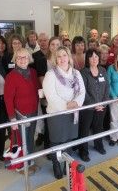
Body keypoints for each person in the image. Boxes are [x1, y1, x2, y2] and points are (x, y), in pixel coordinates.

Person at [42, 46, 85, 179]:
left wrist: (76, 103)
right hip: (57, 114)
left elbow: (82, 91)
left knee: (69, 140)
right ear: (55, 59)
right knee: (56, 141)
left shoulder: (76, 73)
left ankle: (68, 164)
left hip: (73, 112)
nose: (62, 59)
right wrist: (67, 106)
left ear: (69, 57)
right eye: (59, 56)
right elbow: (51, 96)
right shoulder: (50, 75)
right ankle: (56, 165)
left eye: (64, 55)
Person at [4, 48, 40, 173]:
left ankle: (29, 161)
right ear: (15, 60)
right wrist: (12, 118)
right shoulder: (11, 76)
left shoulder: (33, 73)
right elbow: (8, 99)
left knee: (30, 138)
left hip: (33, 112)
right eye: (19, 57)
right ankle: (20, 166)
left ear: (29, 59)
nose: (22, 60)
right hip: (19, 115)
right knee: (20, 140)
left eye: (25, 57)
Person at [78, 49, 110, 162]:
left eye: (96, 56)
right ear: (87, 59)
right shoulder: (83, 72)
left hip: (102, 106)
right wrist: (94, 104)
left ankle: (98, 145)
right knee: (85, 129)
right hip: (88, 107)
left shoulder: (103, 70)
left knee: (98, 127)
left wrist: (103, 102)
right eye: (91, 57)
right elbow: (83, 91)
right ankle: (83, 151)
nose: (94, 59)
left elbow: (107, 87)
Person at [35, 37, 62, 150]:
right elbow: (42, 81)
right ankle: (48, 148)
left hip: (62, 99)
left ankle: (60, 148)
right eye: (52, 44)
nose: (55, 47)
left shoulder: (63, 60)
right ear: (49, 46)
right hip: (47, 98)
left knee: (59, 124)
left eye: (57, 44)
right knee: (48, 124)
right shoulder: (42, 61)